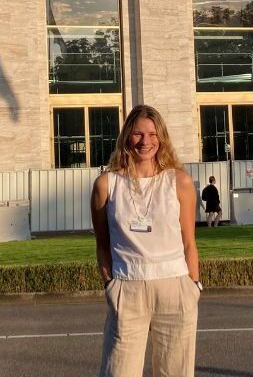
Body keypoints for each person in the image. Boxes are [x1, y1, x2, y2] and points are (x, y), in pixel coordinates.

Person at [90, 104, 201, 377]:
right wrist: (110, 285)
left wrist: (194, 286)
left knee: (175, 372)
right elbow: (102, 244)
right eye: (138, 134)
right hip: (127, 288)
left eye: (152, 134)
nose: (146, 141)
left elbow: (189, 241)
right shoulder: (106, 184)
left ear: (161, 137)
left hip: (175, 286)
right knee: (118, 371)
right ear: (127, 136)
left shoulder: (180, 182)